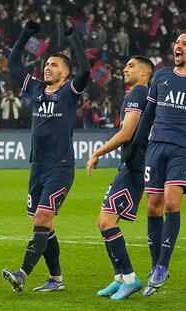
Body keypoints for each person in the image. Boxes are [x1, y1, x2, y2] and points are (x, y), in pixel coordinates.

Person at [2, 21, 90, 292]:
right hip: (37, 167)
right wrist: (25, 34)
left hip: (60, 167)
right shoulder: (36, 89)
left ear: (65, 73)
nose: (48, 68)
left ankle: (22, 274)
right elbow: (14, 63)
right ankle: (57, 279)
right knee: (44, 225)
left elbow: (86, 69)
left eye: (54, 65)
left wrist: (74, 38)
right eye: (47, 64)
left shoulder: (69, 92)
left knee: (42, 220)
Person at [86, 56, 154, 300]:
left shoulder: (139, 93)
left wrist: (97, 152)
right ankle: (119, 278)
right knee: (103, 221)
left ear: (145, 74)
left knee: (107, 222)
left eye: (131, 65)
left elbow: (126, 133)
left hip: (134, 166)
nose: (125, 68)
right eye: (125, 64)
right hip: (132, 164)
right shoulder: (141, 94)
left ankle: (130, 278)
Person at [126, 32, 186, 296]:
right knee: (152, 208)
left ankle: (162, 265)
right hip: (156, 147)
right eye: (177, 42)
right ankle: (155, 265)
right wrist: (136, 145)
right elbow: (148, 114)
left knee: (172, 203)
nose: (179, 46)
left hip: (182, 149)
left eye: (185, 43)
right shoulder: (161, 76)